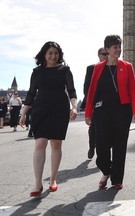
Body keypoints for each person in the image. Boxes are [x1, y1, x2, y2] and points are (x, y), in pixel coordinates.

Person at [19, 41, 78, 197]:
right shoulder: (37, 72)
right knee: (40, 143)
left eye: (56, 53)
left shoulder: (65, 70)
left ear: (59, 55)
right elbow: (31, 94)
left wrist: (74, 106)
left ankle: (53, 179)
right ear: (44, 55)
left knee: (56, 144)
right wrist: (23, 113)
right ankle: (37, 184)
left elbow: (71, 91)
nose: (53, 56)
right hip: (41, 109)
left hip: (59, 108)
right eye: (50, 53)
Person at [85, 35, 135, 190]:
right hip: (102, 111)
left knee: (119, 145)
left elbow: (132, 88)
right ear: (107, 50)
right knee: (101, 146)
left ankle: (117, 179)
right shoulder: (98, 68)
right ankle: (106, 170)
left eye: (119, 46)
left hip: (122, 110)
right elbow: (92, 90)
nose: (118, 50)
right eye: (115, 47)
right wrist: (88, 112)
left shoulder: (127, 66)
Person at [82, 47, 108, 159]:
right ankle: (92, 147)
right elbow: (86, 87)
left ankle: (102, 152)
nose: (106, 56)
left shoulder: (112, 68)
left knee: (106, 129)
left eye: (107, 54)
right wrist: (90, 101)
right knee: (93, 129)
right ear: (99, 55)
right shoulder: (91, 68)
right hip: (94, 103)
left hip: (108, 104)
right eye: (104, 54)